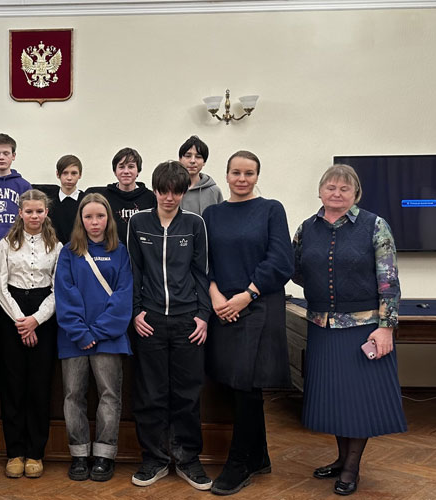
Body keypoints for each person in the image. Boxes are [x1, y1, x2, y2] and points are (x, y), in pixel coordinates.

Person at [292, 164, 406, 496]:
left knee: (359, 402)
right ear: (320, 191)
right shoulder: (306, 228)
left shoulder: (375, 225)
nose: (337, 193)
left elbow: (389, 281)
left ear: (356, 194)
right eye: (331, 187)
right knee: (335, 400)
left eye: (344, 188)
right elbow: (296, 269)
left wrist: (386, 327)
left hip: (363, 329)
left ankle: (352, 468)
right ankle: (342, 459)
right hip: (322, 327)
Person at [202, 150, 294, 495]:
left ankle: (238, 463)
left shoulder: (271, 209)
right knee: (237, 384)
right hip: (222, 308)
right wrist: (215, 295)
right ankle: (259, 456)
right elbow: (204, 260)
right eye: (236, 172)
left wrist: (247, 295)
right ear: (226, 175)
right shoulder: (212, 214)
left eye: (249, 173)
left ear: (257, 176)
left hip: (258, 305)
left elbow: (281, 260)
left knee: (246, 382)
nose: (242, 179)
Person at [126, 161, 212, 490]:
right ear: (155, 190)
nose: (169, 197)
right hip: (149, 321)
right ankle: (154, 458)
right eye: (164, 191)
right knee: (151, 394)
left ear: (184, 192)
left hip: (187, 321)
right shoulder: (138, 223)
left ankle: (188, 459)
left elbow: (202, 272)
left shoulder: (194, 224)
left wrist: (203, 315)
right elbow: (133, 271)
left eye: (176, 192)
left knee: (187, 395)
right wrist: (136, 312)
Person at [55, 193, 133, 483]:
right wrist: (81, 333)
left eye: (100, 216)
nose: (95, 222)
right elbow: (65, 294)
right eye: (88, 216)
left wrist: (96, 333)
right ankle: (78, 455)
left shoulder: (120, 252)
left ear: (108, 219)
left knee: (109, 396)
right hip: (73, 338)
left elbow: (123, 297)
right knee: (73, 395)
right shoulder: (68, 253)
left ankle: (104, 455)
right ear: (81, 220)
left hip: (108, 338)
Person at [0, 190, 62, 479]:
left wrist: (36, 320)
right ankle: (15, 452)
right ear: (20, 213)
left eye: (39, 211)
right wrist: (21, 321)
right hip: (12, 315)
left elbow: (58, 289)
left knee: (39, 386)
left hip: (43, 317)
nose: (34, 216)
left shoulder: (56, 246)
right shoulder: (6, 244)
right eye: (29, 211)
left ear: (46, 213)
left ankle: (35, 452)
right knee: (13, 385)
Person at [86, 147, 156, 239]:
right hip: (111, 247)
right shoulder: (103, 197)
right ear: (115, 171)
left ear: (138, 171)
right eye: (121, 167)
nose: (126, 171)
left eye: (131, 167)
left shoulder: (150, 198)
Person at [33, 154, 85, 244]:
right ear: (58, 174)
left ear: (80, 175)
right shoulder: (48, 200)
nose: (69, 178)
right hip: (52, 247)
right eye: (65, 173)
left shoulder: (85, 201)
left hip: (79, 248)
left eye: (74, 173)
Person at [178, 135, 224, 215]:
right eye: (188, 156)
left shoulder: (214, 191)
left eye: (198, 157)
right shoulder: (170, 188)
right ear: (180, 159)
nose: (192, 161)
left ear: (204, 162)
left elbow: (220, 218)